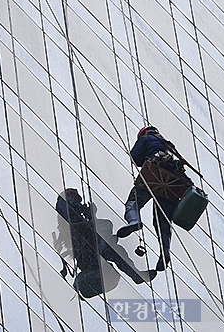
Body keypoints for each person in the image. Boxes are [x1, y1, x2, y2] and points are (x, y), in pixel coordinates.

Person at [117, 126, 192, 271]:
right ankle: (165, 252)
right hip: (173, 183)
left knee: (133, 203)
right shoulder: (169, 145)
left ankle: (134, 221)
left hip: (154, 173)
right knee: (163, 221)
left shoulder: (146, 138)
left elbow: (136, 157)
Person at [56, 189, 156, 295]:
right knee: (108, 235)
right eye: (75, 197)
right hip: (83, 250)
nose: (78, 201)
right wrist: (86, 212)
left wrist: (90, 215)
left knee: (115, 249)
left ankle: (134, 273)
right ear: (69, 197)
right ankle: (134, 273)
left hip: (89, 246)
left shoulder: (75, 213)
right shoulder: (63, 205)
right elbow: (70, 215)